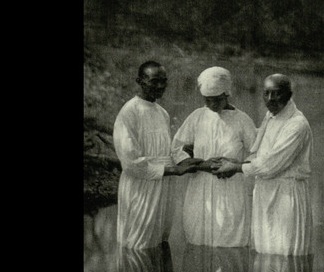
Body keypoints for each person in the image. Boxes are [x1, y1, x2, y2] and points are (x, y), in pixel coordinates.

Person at [213, 74, 312, 256]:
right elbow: (259, 151)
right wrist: (237, 161)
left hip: (285, 196)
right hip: (265, 192)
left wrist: (236, 167)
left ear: (289, 94)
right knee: (265, 253)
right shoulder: (271, 116)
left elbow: (271, 165)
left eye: (276, 94)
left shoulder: (297, 124)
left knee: (284, 253)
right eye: (266, 94)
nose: (270, 99)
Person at [113, 60, 197, 249]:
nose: (160, 86)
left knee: (159, 241)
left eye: (163, 81)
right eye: (154, 81)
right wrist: (173, 170)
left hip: (164, 186)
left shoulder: (162, 113)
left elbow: (166, 151)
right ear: (140, 81)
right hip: (141, 187)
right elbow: (130, 162)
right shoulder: (129, 112)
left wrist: (188, 157)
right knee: (138, 244)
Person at [170, 66, 257, 247]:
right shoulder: (197, 117)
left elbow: (259, 154)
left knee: (229, 245)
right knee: (197, 240)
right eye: (207, 100)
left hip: (230, 189)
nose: (212, 105)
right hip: (199, 189)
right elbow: (177, 148)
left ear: (227, 94)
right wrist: (202, 165)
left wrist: (237, 165)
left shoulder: (242, 120)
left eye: (217, 100)